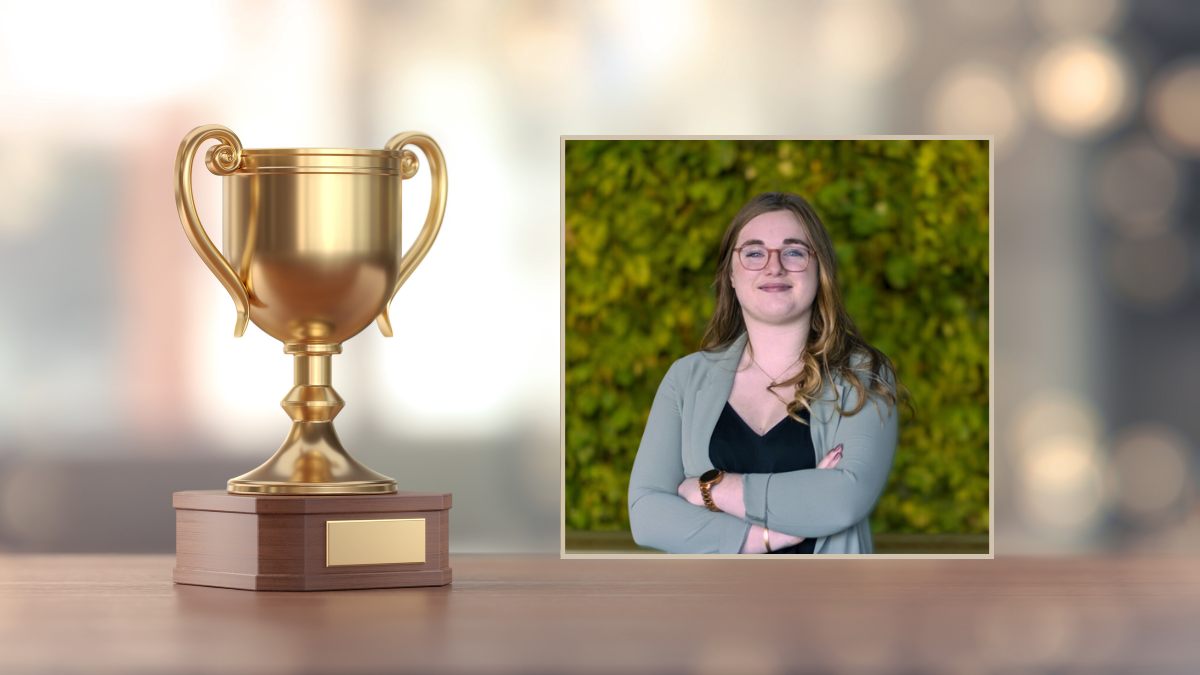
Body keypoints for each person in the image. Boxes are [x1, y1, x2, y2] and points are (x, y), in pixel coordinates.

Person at [628, 191, 902, 554]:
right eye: (754, 253)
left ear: (820, 271)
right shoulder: (686, 379)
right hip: (714, 607)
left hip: (829, 606)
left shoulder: (863, 377)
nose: (774, 267)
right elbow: (647, 515)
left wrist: (711, 489)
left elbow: (842, 500)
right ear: (730, 274)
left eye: (794, 252)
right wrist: (764, 538)